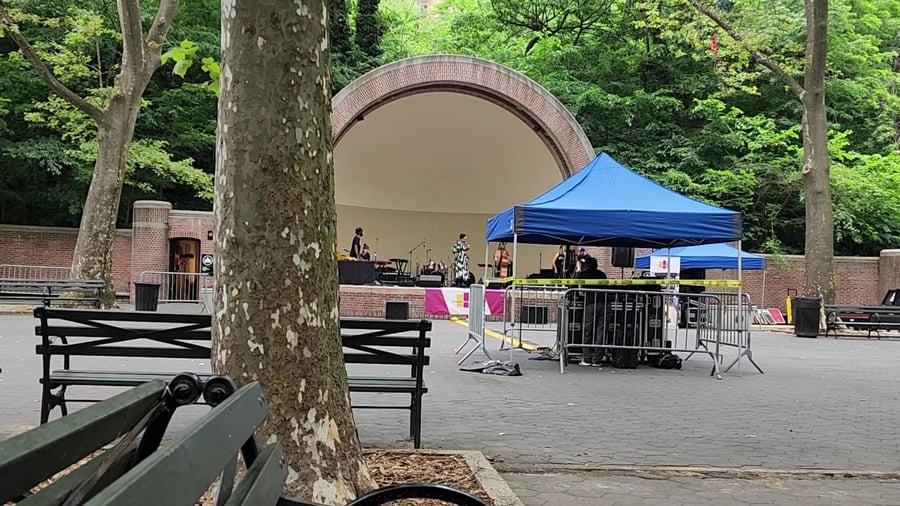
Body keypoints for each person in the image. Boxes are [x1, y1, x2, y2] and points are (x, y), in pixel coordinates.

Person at [576, 255, 608, 367]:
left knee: (588, 331)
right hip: (603, 304)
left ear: (587, 265)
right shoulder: (602, 275)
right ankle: (597, 359)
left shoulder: (583, 275)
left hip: (590, 304)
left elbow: (580, 292)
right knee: (601, 332)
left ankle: (587, 358)